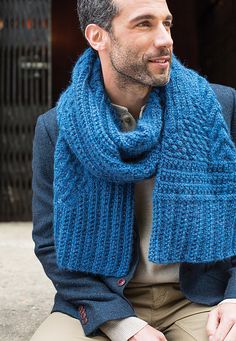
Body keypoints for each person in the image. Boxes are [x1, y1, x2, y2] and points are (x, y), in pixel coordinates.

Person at [30, 0, 236, 340]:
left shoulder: (220, 107)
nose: (165, 39)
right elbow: (50, 244)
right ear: (98, 36)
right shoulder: (57, 129)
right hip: (103, 300)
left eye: (166, 23)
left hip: (200, 297)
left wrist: (233, 296)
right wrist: (120, 322)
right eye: (144, 24)